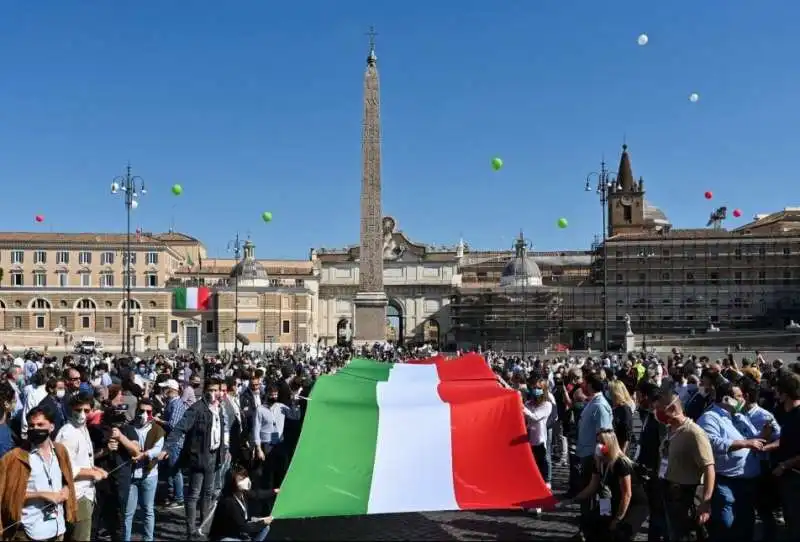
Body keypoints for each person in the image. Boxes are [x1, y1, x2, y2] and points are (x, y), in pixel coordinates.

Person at [0, 406, 78, 541]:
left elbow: (67, 479)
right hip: (30, 531)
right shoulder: (15, 457)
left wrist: (66, 489)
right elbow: (8, 497)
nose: (35, 428)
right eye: (31, 425)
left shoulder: (60, 451)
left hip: (58, 528)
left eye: (40, 424)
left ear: (52, 427)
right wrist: (41, 494)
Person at [165, 377, 229, 539]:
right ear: (205, 391)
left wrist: (224, 449)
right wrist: (167, 447)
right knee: (194, 494)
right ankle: (191, 529)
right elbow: (180, 428)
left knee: (208, 493)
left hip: (214, 455)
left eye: (217, 390)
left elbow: (221, 431)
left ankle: (204, 526)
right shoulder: (197, 408)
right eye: (211, 390)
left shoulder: (219, 408)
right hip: (199, 456)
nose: (214, 393)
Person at [564, 430, 648, 541]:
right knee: (593, 521)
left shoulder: (621, 463)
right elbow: (592, 487)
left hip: (635, 503)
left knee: (621, 532)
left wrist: (618, 519)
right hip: (615, 498)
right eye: (597, 442)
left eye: (602, 442)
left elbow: (627, 494)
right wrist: (573, 499)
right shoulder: (598, 462)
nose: (598, 446)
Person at [55, 392, 108, 542]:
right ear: (71, 409)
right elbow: (67, 468)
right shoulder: (69, 432)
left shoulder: (82, 429)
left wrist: (96, 469)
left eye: (86, 410)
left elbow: (83, 460)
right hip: (77, 494)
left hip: (86, 492)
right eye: (78, 410)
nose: (82, 414)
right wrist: (92, 473)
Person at [207, 465, 276, 542]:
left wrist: (274, 491)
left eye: (245, 477)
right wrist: (263, 521)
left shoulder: (243, 493)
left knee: (265, 528)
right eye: (241, 479)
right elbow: (244, 527)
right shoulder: (229, 502)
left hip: (238, 531)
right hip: (224, 536)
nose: (246, 480)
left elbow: (257, 494)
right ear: (232, 482)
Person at [607, 381, 634, 455]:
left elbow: (627, 432)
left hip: (619, 450)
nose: (607, 392)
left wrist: (622, 452)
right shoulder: (614, 407)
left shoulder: (625, 409)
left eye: (609, 390)